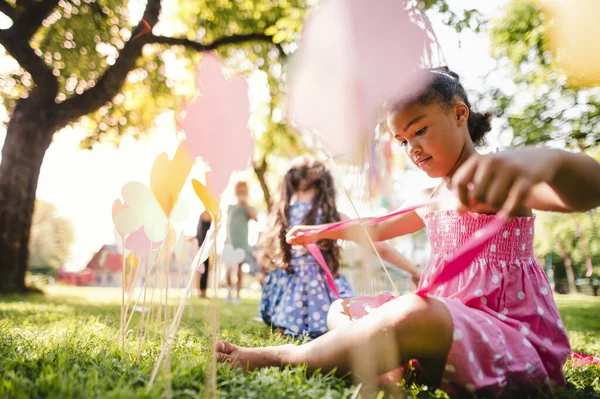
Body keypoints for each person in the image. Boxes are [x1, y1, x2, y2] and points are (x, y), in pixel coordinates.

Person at [216, 68, 600, 397]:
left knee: (414, 312)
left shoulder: (496, 177)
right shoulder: (434, 195)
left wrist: (544, 160)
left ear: (459, 114)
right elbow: (379, 226)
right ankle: (391, 361)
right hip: (442, 331)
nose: (412, 148)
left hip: (508, 340)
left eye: (419, 131)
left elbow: (588, 190)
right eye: (402, 141)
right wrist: (323, 231)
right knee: (342, 308)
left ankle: (285, 356)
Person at [258, 157, 420, 339]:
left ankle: (287, 321)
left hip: (286, 295)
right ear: (326, 185)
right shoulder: (333, 216)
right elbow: (381, 248)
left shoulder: (280, 217)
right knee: (344, 317)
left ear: (289, 184)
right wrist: (414, 271)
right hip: (324, 295)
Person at [224, 180, 257, 304]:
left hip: (242, 242)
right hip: (229, 241)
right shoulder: (231, 207)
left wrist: (246, 204)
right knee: (228, 267)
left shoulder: (248, 207)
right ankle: (228, 291)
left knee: (239, 268)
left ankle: (237, 295)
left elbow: (255, 218)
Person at [196, 210, 212, 298]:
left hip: (206, 247)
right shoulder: (205, 215)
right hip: (202, 247)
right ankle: (201, 291)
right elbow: (199, 233)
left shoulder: (209, 215)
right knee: (202, 270)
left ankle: (202, 291)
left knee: (204, 270)